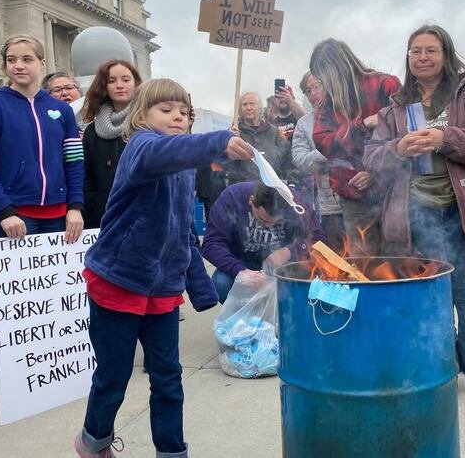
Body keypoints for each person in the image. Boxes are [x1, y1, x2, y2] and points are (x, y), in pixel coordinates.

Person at [75, 78, 254, 458]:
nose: (178, 117)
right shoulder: (142, 148)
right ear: (141, 115)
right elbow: (164, 154)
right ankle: (94, 440)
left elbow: (183, 232)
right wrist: (215, 141)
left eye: (185, 112)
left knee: (169, 378)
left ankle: (172, 452)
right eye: (166, 109)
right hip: (119, 282)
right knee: (113, 377)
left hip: (162, 290)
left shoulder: (185, 166)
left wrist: (200, 288)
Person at [364, 24, 465, 411]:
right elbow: (372, 158)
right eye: (416, 51)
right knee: (428, 305)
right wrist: (398, 147)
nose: (423, 58)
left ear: (447, 55)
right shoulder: (394, 107)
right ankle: (436, 370)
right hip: (415, 219)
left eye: (431, 50)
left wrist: (443, 139)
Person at [0, 34, 84, 242]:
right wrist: (3, 210)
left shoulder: (61, 110)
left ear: (42, 62)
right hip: (14, 215)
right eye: (11, 60)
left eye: (27, 59)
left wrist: (75, 206)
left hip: (60, 215)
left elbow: (74, 160)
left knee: (55, 276)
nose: (18, 66)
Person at [311, 38, 401, 257]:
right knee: (363, 266)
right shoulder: (327, 104)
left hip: (392, 191)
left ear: (332, 69)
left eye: (322, 76)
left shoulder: (386, 85)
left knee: (398, 261)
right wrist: (360, 126)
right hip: (352, 195)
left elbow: (404, 135)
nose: (322, 83)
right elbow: (324, 143)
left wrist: (375, 172)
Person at [202, 181, 324, 303]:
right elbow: (211, 244)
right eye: (262, 219)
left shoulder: (296, 202)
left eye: (275, 222)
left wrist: (289, 251)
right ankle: (245, 317)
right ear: (251, 200)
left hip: (284, 267)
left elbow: (318, 239)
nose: (268, 227)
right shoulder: (233, 197)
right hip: (244, 262)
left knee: (311, 281)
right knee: (221, 283)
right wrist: (240, 271)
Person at [81, 59, 142, 229]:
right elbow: (87, 176)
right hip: (102, 218)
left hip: (141, 218)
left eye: (126, 79)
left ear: (136, 84)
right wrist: (95, 205)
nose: (119, 85)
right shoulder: (92, 131)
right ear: (103, 86)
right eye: (112, 81)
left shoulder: (147, 124)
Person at [292, 71, 345, 254]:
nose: (314, 93)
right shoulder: (303, 124)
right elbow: (301, 161)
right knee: (339, 262)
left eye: (318, 86)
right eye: (309, 90)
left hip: (361, 202)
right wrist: (328, 148)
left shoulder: (349, 113)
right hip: (329, 208)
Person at [224, 91, 295, 185]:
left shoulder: (274, 133)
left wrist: (292, 182)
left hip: (271, 190)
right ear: (240, 109)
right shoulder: (233, 134)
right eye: (244, 105)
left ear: (259, 107)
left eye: (252, 104)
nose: (248, 108)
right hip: (242, 189)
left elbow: (287, 158)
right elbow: (223, 163)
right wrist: (226, 141)